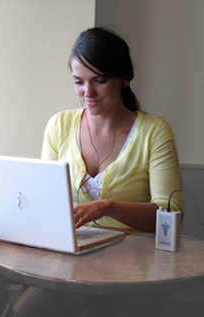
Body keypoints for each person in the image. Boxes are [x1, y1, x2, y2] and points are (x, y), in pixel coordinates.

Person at [41, 26, 183, 235]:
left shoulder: (155, 132)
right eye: (79, 82)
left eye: (99, 81)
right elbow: (44, 199)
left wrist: (108, 208)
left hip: (134, 261)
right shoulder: (58, 125)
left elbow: (170, 215)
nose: (88, 92)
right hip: (71, 256)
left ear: (124, 79)